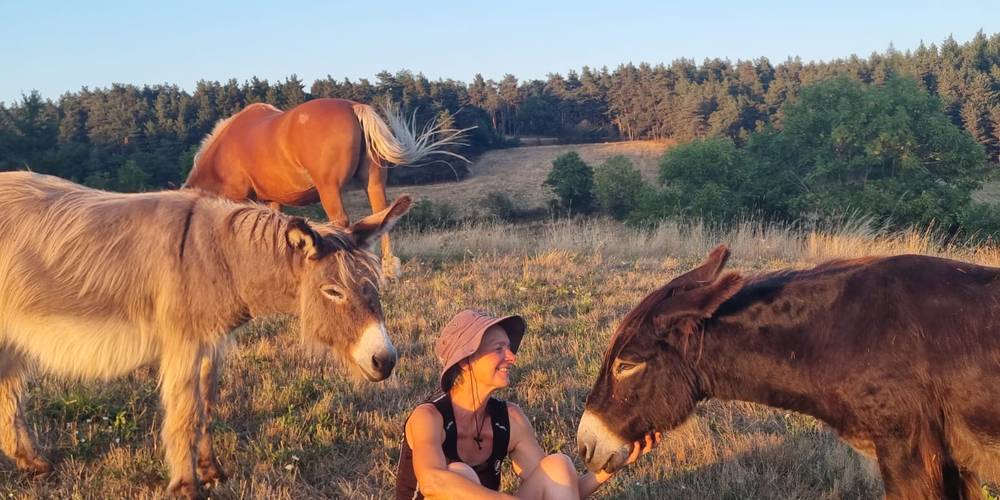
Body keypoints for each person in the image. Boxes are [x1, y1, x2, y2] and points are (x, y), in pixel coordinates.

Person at [395, 310, 659, 499]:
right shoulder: (428, 416)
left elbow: (561, 488)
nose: (511, 356)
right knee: (459, 474)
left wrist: (608, 469)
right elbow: (431, 481)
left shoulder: (509, 419)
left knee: (558, 465)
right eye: (498, 348)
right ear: (466, 361)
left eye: (509, 348)